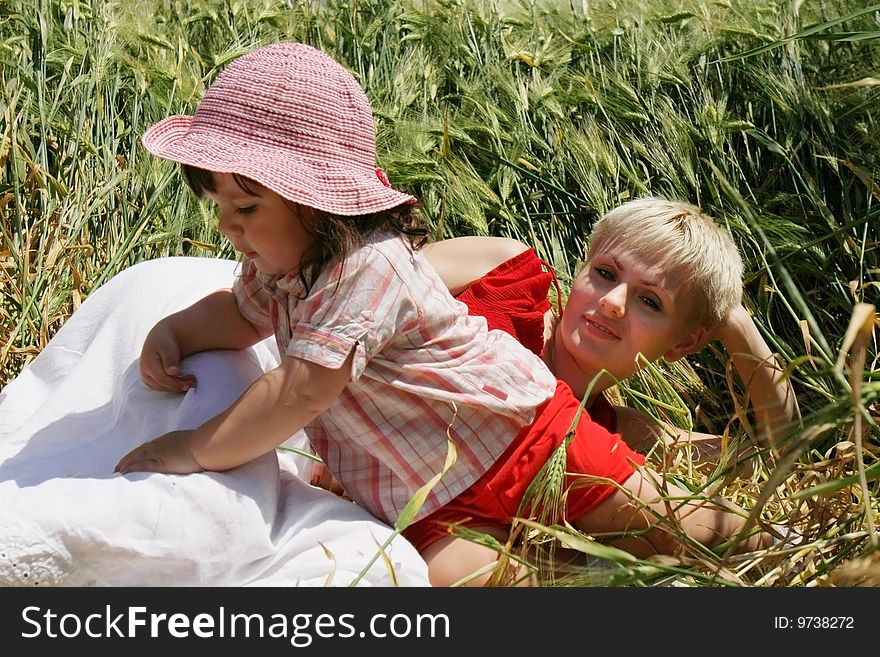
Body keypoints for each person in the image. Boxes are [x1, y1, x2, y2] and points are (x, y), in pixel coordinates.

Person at [115, 41, 783, 587]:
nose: (229, 227)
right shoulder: (295, 273)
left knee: (687, 523)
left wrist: (194, 448)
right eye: (220, 205)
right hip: (428, 497)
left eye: (247, 207)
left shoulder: (367, 267)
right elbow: (239, 314)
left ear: (315, 203)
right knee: (470, 583)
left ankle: (817, 566)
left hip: (528, 439)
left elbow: (299, 387)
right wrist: (176, 330)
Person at [405, 198, 798, 585]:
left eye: (650, 300)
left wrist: (735, 322)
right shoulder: (503, 272)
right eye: (606, 273)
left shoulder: (607, 429)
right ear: (580, 270)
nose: (612, 302)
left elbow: (776, 448)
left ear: (682, 345)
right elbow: (364, 281)